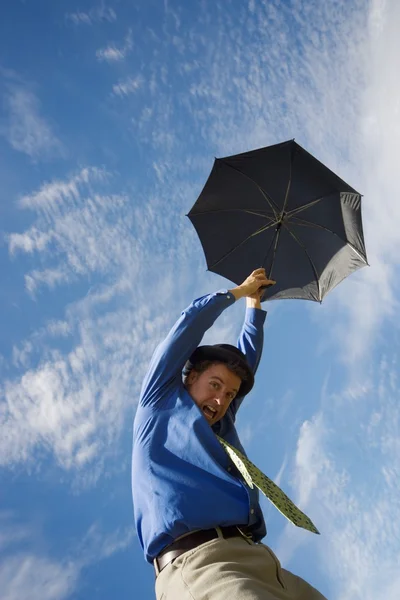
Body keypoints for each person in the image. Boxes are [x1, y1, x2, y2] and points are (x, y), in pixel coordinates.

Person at [132, 268, 327, 599]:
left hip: (261, 560)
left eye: (230, 394)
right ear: (190, 375)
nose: (221, 399)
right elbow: (190, 323)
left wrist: (254, 306)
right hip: (201, 566)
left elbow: (247, 357)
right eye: (215, 385)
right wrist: (239, 291)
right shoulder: (159, 404)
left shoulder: (221, 424)